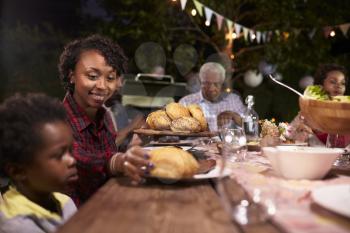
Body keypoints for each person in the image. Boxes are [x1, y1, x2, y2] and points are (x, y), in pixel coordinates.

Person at [58, 34, 152, 206]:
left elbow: (109, 161)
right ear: (72, 76)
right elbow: (83, 162)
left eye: (110, 78)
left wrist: (134, 148)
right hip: (74, 218)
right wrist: (120, 161)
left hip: (108, 202)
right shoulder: (57, 120)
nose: (102, 86)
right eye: (92, 76)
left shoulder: (104, 115)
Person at [0, 93, 77, 233]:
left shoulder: (65, 202)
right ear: (18, 171)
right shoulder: (17, 225)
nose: (72, 160)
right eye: (59, 155)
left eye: (70, 151)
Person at [290, 63, 349, 146]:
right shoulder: (307, 114)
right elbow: (288, 139)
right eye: (333, 82)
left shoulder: (347, 115)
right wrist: (301, 133)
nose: (339, 86)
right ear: (321, 85)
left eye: (343, 83)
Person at [179, 62, 246, 131]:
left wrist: (234, 116)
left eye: (216, 84)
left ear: (222, 83)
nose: (211, 88)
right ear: (200, 81)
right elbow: (175, 134)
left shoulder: (233, 100)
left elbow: (249, 126)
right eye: (207, 83)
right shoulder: (186, 102)